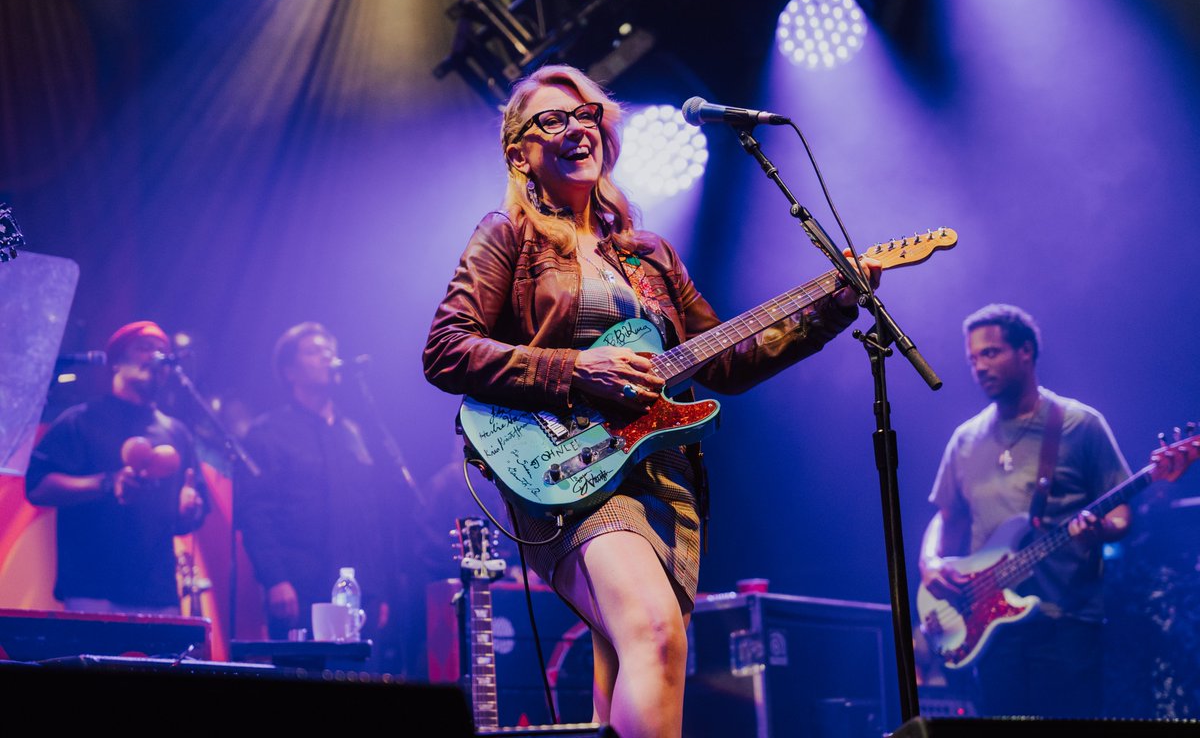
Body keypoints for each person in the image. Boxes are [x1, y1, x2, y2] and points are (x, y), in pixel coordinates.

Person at [422, 64, 879, 738]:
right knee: (656, 635)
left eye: (588, 115)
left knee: (633, 665)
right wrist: (578, 368)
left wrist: (834, 307)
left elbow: (727, 361)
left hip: (662, 477)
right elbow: (446, 348)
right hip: (566, 470)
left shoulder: (650, 255)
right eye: (554, 119)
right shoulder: (507, 238)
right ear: (520, 152)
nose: (578, 128)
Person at [918, 303, 1133, 718]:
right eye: (973, 357)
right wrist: (929, 563)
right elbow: (947, 518)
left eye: (991, 353)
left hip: (1066, 622)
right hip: (991, 629)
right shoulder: (964, 440)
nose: (979, 366)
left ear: (1026, 352)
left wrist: (1100, 530)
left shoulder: (1078, 424)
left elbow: (1120, 512)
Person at [238, 322, 406, 666]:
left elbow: (371, 516)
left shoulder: (353, 432)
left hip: (356, 589)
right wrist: (275, 578)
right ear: (289, 371)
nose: (327, 357)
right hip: (300, 584)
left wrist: (378, 589)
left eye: (330, 349)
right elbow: (255, 512)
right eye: (314, 351)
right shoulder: (269, 432)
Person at [25, 320, 208, 614]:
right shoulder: (81, 420)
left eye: (162, 350)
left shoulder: (177, 434)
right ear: (116, 362)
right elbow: (36, 487)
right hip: (92, 590)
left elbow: (189, 516)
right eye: (144, 348)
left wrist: (190, 510)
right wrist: (107, 483)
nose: (155, 356)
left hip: (157, 594)